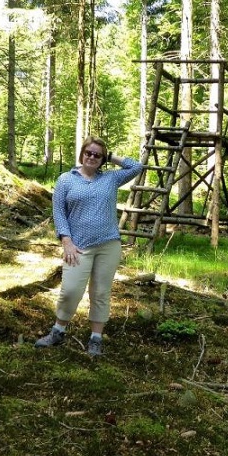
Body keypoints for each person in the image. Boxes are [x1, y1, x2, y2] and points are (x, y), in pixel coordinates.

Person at [35, 136, 143, 357]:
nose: (92, 157)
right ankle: (58, 331)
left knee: (101, 292)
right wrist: (66, 241)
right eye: (89, 153)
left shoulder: (110, 178)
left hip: (108, 246)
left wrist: (110, 156)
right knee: (70, 290)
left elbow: (136, 166)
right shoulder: (66, 179)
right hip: (78, 247)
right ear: (82, 154)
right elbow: (59, 212)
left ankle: (96, 338)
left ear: (102, 159)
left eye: (97, 155)